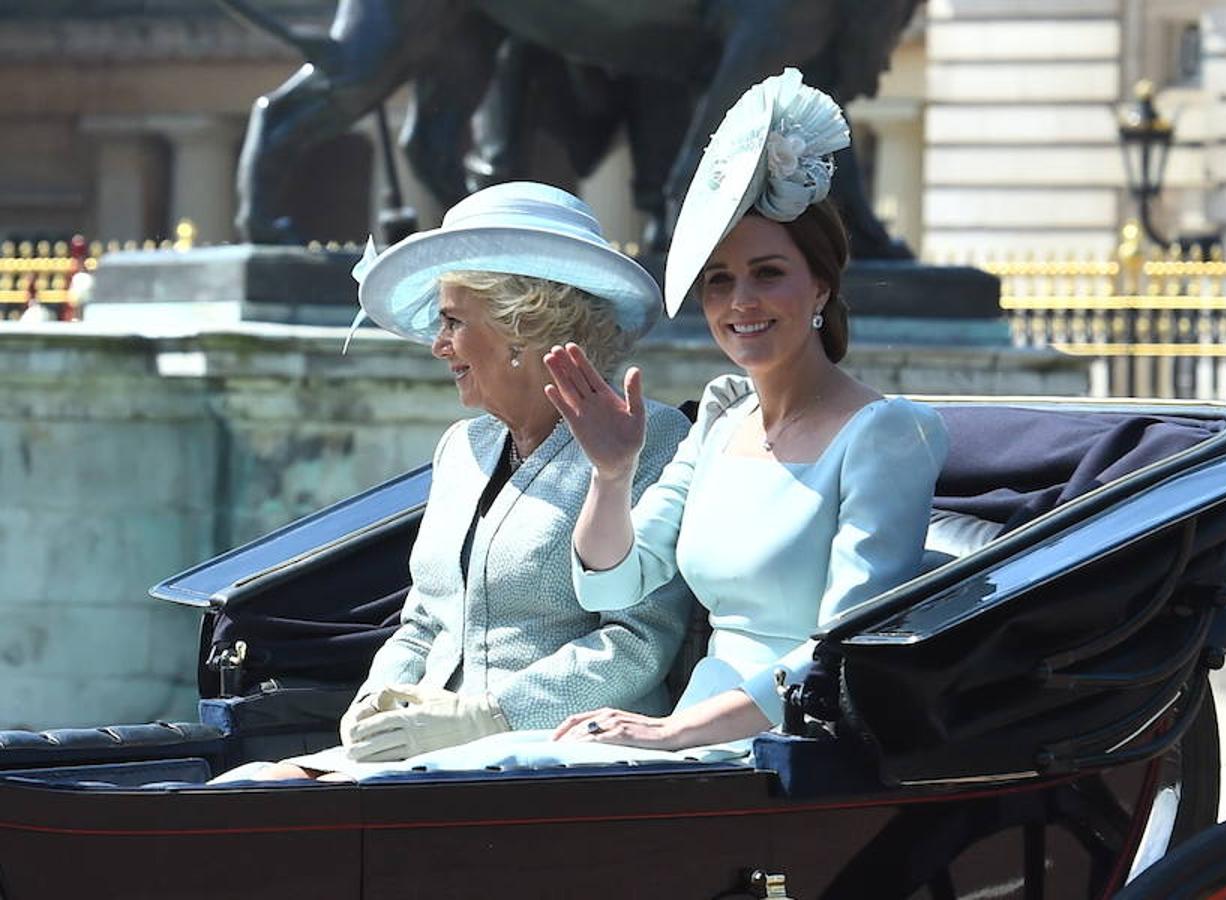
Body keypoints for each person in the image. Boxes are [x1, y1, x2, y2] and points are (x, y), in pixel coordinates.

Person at [220, 181, 693, 780]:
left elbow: (640, 641)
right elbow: (422, 622)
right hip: (429, 752)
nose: (439, 346)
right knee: (247, 791)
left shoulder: (648, 439)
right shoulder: (463, 448)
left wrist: (488, 717)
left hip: (563, 755)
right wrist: (377, 700)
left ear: (522, 326)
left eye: (452, 322)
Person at [544, 69, 949, 752]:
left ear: (820, 285)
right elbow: (612, 584)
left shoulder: (885, 434)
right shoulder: (722, 421)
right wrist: (612, 475)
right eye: (719, 282)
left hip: (795, 745)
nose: (739, 304)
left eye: (768, 273)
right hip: (692, 732)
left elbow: (841, 650)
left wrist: (676, 733)